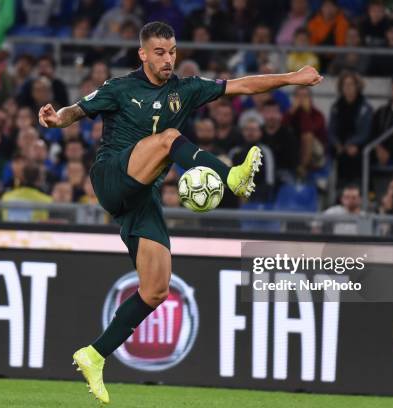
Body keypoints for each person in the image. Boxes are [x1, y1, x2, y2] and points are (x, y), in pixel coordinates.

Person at [38, 21, 322, 404]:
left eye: (172, 51)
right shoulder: (121, 88)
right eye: (159, 52)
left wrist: (294, 77)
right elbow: (79, 109)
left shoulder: (185, 90)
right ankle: (231, 177)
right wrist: (58, 119)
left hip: (143, 197)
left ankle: (94, 354)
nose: (168, 58)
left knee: (156, 290)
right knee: (169, 139)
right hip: (111, 177)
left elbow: (242, 85)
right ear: (142, 54)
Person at [329, 71, 372, 188]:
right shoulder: (336, 107)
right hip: (340, 146)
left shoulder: (365, 107)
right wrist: (337, 144)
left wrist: (353, 144)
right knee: (337, 155)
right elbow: (331, 130)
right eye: (345, 85)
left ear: (357, 86)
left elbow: (365, 131)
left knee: (356, 156)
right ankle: (338, 191)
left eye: (351, 84)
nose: (348, 88)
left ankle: (359, 189)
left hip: (359, 146)